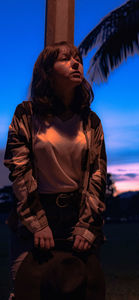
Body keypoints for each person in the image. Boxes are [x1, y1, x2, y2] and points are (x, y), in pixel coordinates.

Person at [4, 41, 107, 299]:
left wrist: (87, 226)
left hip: (77, 215)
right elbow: (18, 169)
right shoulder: (27, 114)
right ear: (47, 72)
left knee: (82, 290)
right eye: (65, 59)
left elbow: (98, 175)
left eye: (78, 59)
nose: (76, 63)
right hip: (35, 214)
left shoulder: (90, 121)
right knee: (27, 289)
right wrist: (38, 223)